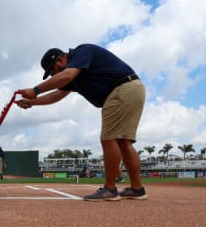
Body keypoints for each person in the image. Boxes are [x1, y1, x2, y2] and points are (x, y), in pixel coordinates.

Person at [17, 44, 146, 201]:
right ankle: (137, 189)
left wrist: (35, 90)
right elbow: (57, 95)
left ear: (60, 60)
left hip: (121, 90)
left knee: (109, 139)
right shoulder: (74, 75)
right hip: (131, 89)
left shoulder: (81, 52)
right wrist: (32, 102)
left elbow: (66, 76)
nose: (52, 76)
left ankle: (110, 189)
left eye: (52, 71)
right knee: (124, 142)